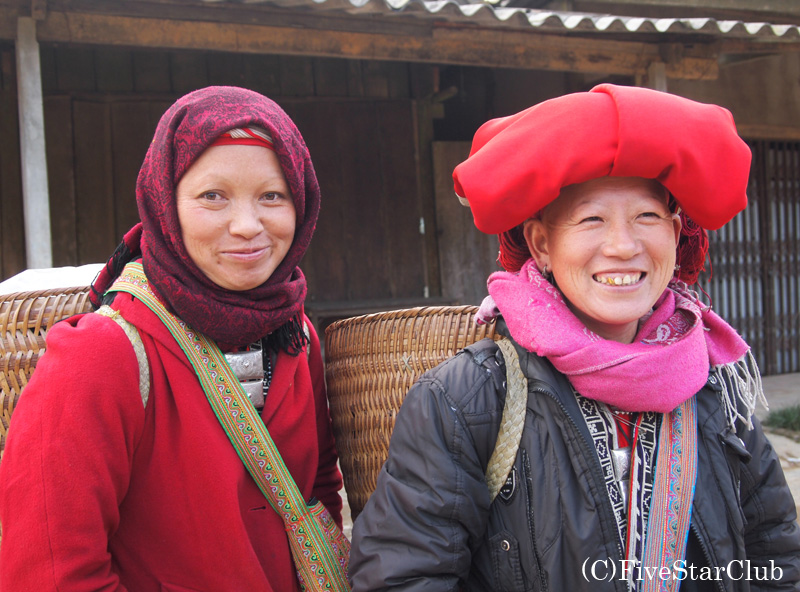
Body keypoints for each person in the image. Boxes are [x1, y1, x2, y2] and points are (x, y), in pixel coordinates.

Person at [349, 84, 800, 591]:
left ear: (675, 236)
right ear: (541, 244)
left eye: (647, 216)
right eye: (591, 219)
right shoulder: (466, 401)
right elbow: (405, 577)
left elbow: (775, 557)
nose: (623, 246)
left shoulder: (716, 389)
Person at [0, 86, 344, 591]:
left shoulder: (297, 335)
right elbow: (51, 572)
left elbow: (316, 491)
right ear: (166, 205)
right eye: (212, 196)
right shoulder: (102, 355)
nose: (248, 226)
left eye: (273, 195)